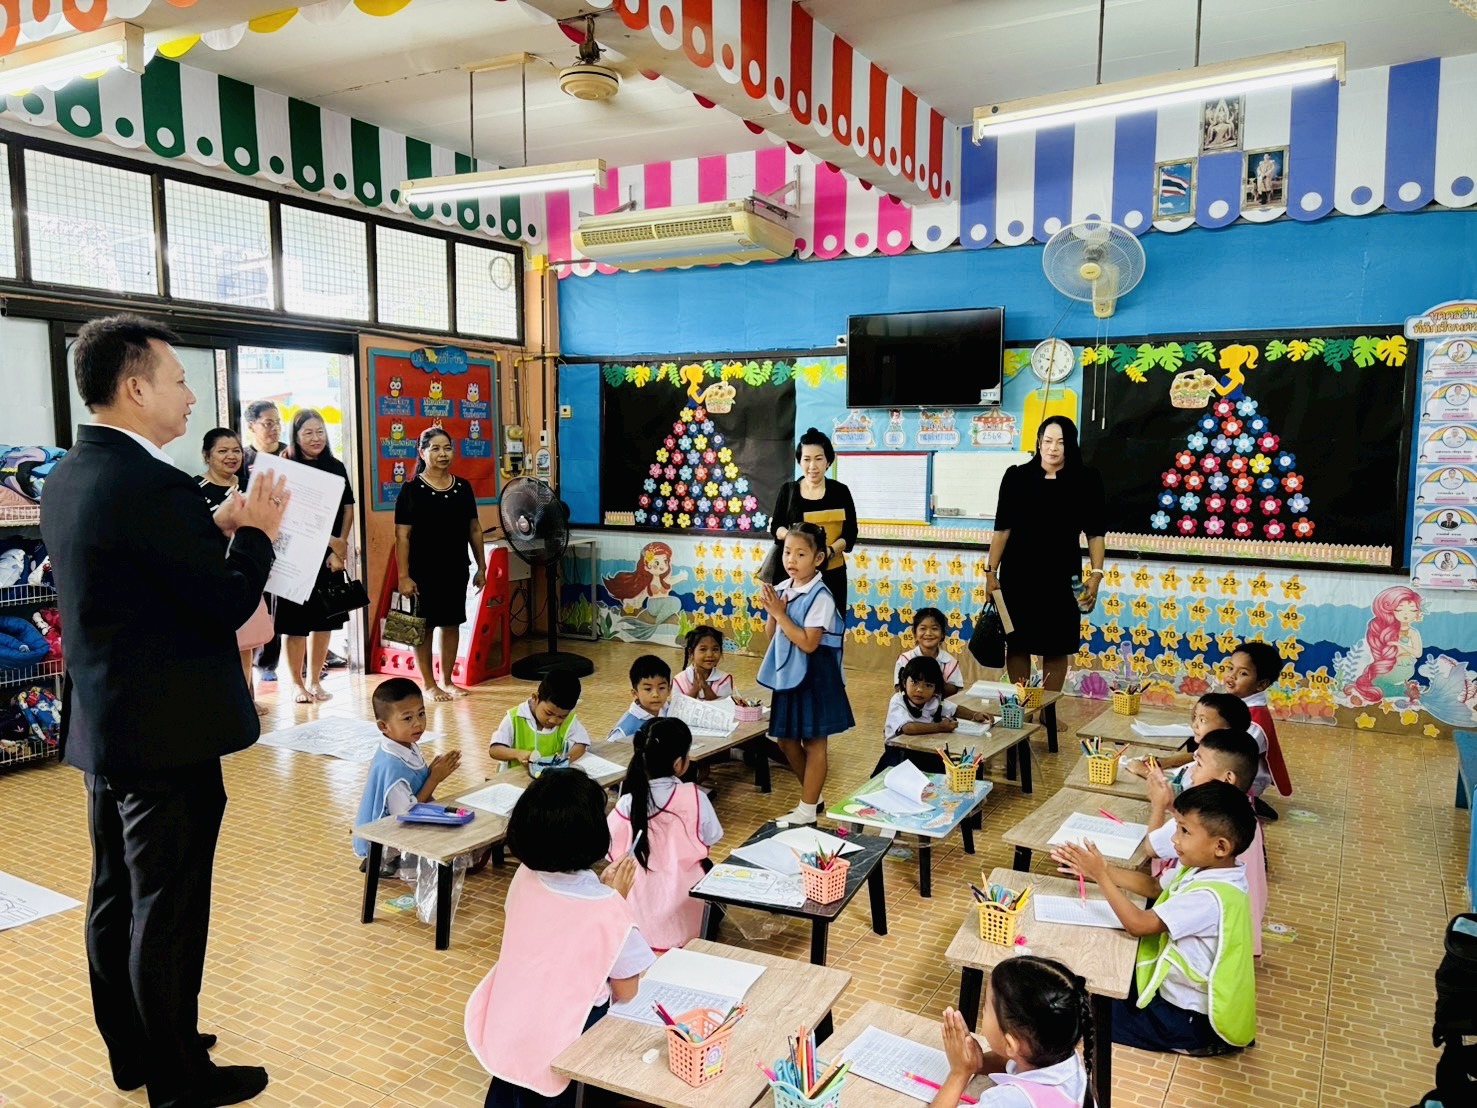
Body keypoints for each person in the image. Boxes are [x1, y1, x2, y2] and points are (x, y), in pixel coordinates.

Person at [42, 313, 289, 1106]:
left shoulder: (72, 472)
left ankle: (138, 1049)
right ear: (135, 387)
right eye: (179, 380)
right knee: (168, 907)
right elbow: (224, 602)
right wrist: (256, 535)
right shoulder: (150, 484)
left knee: (116, 893)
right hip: (166, 733)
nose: (190, 396)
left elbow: (134, 572)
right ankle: (179, 1080)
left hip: (106, 724)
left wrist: (210, 524)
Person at [465, 769, 653, 1107]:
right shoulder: (610, 910)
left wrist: (604, 894)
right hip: (565, 1045)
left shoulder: (523, 877)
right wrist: (615, 900)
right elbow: (627, 991)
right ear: (595, 835)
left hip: (509, 1024)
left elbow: (560, 922)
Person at [1052, 781, 1258, 1057]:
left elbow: (1138, 925)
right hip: (1174, 999)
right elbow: (1153, 887)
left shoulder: (1209, 897)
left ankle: (1197, 1043)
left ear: (1220, 846)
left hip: (1185, 1019)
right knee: (1095, 985)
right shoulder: (1212, 870)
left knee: (1080, 1015)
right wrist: (1096, 869)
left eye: (1184, 831)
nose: (1174, 839)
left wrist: (1100, 875)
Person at [985, 416, 1106, 693]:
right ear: (1039, 442)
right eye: (1048, 441)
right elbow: (1001, 531)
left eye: (1061, 442)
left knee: (1057, 645)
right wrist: (990, 574)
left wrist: (1096, 575)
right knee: (1018, 643)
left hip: (1064, 577)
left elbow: (1095, 534)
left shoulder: (1087, 479)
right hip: (1018, 575)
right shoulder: (1016, 477)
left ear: (1070, 445)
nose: (1053, 448)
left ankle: (1047, 710)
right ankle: (1021, 705)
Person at [756, 522, 855, 825]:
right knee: (785, 740)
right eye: (787, 552)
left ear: (818, 559)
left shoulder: (821, 596)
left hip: (816, 676)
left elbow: (809, 643)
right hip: (789, 675)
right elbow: (772, 635)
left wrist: (780, 613)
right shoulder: (784, 589)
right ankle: (813, 796)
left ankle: (807, 809)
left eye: (801, 554)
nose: (791, 560)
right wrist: (773, 612)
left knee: (814, 744)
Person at [1143, 729, 1268, 956]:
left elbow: (1151, 848)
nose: (1191, 772)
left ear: (1228, 778)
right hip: (1237, 930)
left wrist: (1158, 805)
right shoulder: (1243, 812)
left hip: (1207, 938)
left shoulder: (1206, 820)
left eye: (1199, 764)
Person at [606, 718, 722, 951]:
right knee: (710, 870)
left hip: (638, 919)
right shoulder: (695, 797)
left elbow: (609, 850)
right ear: (679, 763)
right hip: (689, 917)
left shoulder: (627, 802)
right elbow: (712, 837)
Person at [394, 426, 487, 701]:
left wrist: (481, 567)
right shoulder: (411, 490)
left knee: (451, 623)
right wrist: (403, 576)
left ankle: (447, 680)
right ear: (422, 452)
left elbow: (475, 529)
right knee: (422, 626)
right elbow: (402, 536)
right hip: (421, 571)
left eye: (447, 448)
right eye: (435, 448)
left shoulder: (463, 488)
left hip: (455, 568)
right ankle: (428, 684)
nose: (442, 454)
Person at [928, 957, 1092, 1108]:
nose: (982, 1011)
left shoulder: (1008, 1099)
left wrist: (959, 1073)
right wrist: (975, 1063)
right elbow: (1009, 1060)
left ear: (1010, 1044)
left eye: (985, 1007)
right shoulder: (1065, 1058)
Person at [274, 408, 355, 705]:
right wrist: (330, 541)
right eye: (307, 432)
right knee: (294, 624)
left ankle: (315, 681)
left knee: (324, 622)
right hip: (294, 556)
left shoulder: (335, 466)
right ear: (295, 436)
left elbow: (348, 508)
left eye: (320, 431)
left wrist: (340, 546)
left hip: (329, 558)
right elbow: (283, 513)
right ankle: (297, 684)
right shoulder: (285, 466)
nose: (315, 438)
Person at [352, 678, 462, 875]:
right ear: (383, 726)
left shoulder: (404, 743)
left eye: (421, 713)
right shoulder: (391, 765)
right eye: (407, 718)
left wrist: (432, 772)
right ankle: (387, 862)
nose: (418, 723)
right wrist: (434, 778)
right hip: (384, 839)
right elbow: (407, 814)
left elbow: (414, 787)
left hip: (403, 822)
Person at [197, 428, 271, 716]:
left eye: (236, 450)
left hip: (246, 571)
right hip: (212, 575)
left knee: (246, 642)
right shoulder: (194, 489)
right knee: (220, 641)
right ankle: (222, 702)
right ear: (207, 455)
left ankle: (245, 698)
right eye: (223, 451)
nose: (231, 456)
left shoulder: (251, 487)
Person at [767, 427, 860, 612]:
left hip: (831, 574)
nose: (812, 466)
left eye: (818, 459)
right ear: (799, 461)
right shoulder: (788, 490)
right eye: (806, 459)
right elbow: (776, 526)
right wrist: (795, 538)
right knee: (789, 620)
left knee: (830, 623)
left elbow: (850, 533)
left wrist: (828, 551)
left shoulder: (840, 491)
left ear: (828, 461)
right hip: (793, 574)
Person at [875, 655, 990, 775]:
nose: (920, 689)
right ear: (904, 683)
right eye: (914, 682)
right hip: (899, 754)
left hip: (926, 750)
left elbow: (955, 710)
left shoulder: (934, 700)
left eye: (928, 685)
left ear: (935, 689)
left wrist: (974, 715)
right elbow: (908, 728)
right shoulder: (898, 701)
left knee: (970, 765)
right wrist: (940, 727)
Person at [241, 399, 287, 685]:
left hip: (289, 538)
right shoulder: (243, 458)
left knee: (287, 605)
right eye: (268, 423)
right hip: (256, 540)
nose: (274, 429)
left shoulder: (290, 454)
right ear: (251, 426)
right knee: (261, 604)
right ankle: (263, 662)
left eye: (277, 423)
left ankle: (296, 663)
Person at [1225, 640, 1292, 820]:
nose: (1231, 676)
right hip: (1231, 769)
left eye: (1243, 673)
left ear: (1261, 685)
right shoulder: (1236, 703)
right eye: (1230, 668)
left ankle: (1247, 801)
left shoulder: (1255, 721)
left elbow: (1228, 757)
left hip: (1244, 780)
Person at [1125, 691, 1250, 781]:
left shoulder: (1220, 762)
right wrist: (1164, 762)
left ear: (1227, 729)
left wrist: (1145, 771)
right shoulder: (1216, 748)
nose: (1194, 725)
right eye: (1195, 717)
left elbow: (1180, 792)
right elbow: (1193, 756)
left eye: (1203, 720)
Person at [488, 668, 591, 766]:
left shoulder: (568, 720)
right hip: (519, 777)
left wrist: (564, 760)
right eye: (548, 713)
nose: (553, 720)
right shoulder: (515, 717)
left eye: (562, 717)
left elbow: (581, 744)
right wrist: (517, 754)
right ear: (535, 698)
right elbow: (494, 750)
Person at [895, 607, 962, 696]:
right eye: (923, 628)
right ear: (914, 633)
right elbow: (898, 688)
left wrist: (936, 681)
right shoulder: (905, 659)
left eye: (934, 629)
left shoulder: (950, 662)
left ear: (943, 633)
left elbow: (955, 690)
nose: (928, 633)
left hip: (940, 704)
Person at [607, 654, 671, 741]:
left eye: (661, 688)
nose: (655, 694)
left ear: (669, 690)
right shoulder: (625, 731)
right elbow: (610, 749)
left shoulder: (675, 711)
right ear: (635, 693)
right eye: (648, 689)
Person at [673, 625, 733, 700]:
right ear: (691, 652)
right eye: (703, 649)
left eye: (715, 649)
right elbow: (678, 706)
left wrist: (705, 687)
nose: (710, 654)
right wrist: (695, 689)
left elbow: (723, 705)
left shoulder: (724, 679)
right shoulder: (679, 680)